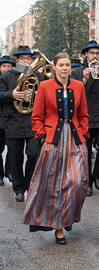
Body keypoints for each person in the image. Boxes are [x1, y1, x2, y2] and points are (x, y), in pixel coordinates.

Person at [22, 52, 89, 245]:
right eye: (61, 65)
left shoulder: (79, 86)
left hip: (76, 139)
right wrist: (42, 136)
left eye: (68, 65)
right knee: (55, 185)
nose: (65, 68)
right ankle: (59, 227)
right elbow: (36, 117)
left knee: (77, 182)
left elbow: (83, 114)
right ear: (55, 66)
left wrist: (84, 134)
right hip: (53, 140)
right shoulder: (44, 86)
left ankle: (68, 215)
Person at [71, 41, 99, 196]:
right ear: (86, 54)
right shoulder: (77, 72)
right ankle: (88, 182)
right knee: (86, 152)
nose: (95, 56)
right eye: (92, 53)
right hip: (84, 118)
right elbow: (73, 95)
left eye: (97, 53)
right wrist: (84, 80)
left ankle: (97, 175)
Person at [0, 46, 44, 202]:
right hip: (13, 122)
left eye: (29, 58)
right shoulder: (7, 76)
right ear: (17, 60)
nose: (26, 61)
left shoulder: (38, 75)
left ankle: (29, 183)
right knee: (15, 158)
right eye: (23, 58)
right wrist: (11, 94)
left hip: (33, 122)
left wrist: (41, 95)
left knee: (34, 153)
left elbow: (48, 95)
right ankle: (18, 189)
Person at [0, 56, 14, 186]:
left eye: (8, 66)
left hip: (11, 119)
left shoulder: (15, 79)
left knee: (12, 148)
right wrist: (11, 94)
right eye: (4, 66)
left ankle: (9, 171)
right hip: (0, 119)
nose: (6, 68)